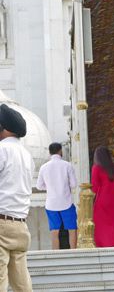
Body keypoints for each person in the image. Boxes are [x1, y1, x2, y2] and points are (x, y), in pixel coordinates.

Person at [0, 104, 34, 291]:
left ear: (3, 128)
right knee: (22, 285)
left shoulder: (2, 150)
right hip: (20, 226)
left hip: (1, 223)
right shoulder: (26, 154)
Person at [36, 142, 78, 250]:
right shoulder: (67, 165)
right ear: (60, 151)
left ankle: (56, 256)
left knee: (54, 232)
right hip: (66, 203)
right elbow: (74, 184)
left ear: (50, 153)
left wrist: (50, 187)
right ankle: (74, 255)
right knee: (72, 230)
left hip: (51, 204)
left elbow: (39, 186)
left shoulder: (43, 167)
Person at [91, 146, 114, 247]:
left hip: (103, 200)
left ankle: (105, 245)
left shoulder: (96, 168)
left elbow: (94, 188)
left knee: (103, 225)